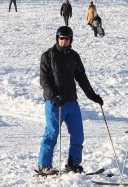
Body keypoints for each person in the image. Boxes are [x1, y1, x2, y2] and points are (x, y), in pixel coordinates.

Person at [36, 26, 104, 176]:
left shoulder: (74, 56)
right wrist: (53, 95)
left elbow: (81, 78)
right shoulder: (48, 56)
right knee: (52, 133)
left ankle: (73, 164)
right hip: (54, 102)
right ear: (57, 39)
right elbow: (44, 79)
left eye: (67, 39)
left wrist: (92, 95)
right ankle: (44, 165)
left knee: (78, 134)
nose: (64, 41)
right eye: (61, 38)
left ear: (71, 40)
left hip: (71, 101)